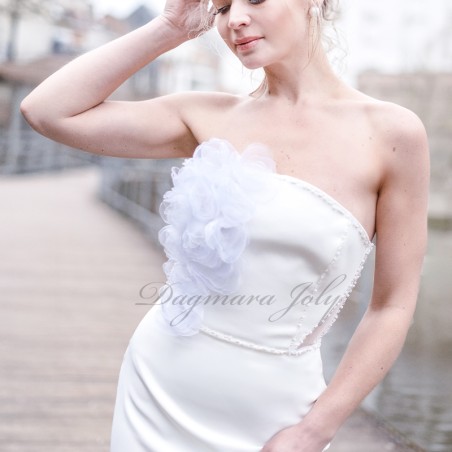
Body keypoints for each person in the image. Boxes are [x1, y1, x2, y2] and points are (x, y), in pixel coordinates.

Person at [20, 0, 430, 451]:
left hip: (276, 415)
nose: (234, 19)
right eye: (220, 8)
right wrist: (169, 27)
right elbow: (46, 111)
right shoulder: (204, 115)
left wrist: (317, 429)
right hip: (158, 389)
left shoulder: (392, 135)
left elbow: (392, 305)